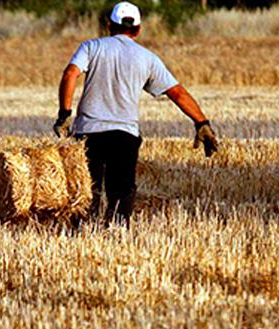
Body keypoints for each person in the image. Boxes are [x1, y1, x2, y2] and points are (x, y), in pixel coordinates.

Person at [53, 1, 219, 226]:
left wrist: (64, 114)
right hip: (125, 136)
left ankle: (81, 237)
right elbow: (178, 93)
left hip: (88, 134)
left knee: (85, 196)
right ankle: (118, 236)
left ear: (109, 25)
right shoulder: (147, 57)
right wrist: (202, 122)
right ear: (138, 29)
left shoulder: (91, 47)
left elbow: (70, 74)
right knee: (121, 194)